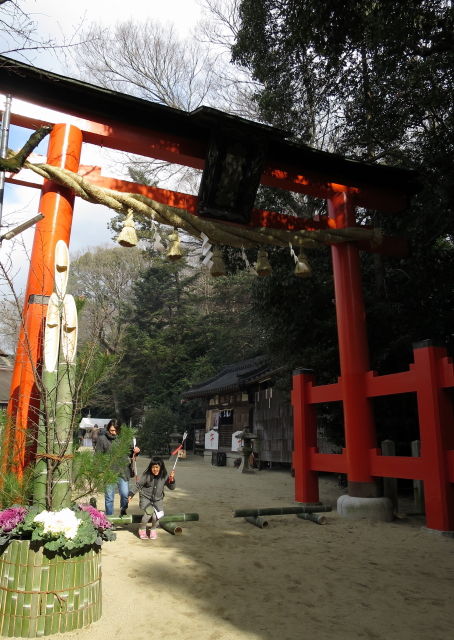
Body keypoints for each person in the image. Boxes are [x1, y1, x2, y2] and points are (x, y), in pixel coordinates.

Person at [96, 419, 140, 516]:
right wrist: (100, 470)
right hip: (108, 471)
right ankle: (109, 520)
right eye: (112, 430)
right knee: (109, 498)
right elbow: (98, 456)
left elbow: (131, 452)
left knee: (125, 494)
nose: (114, 433)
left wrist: (136, 450)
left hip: (123, 471)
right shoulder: (102, 439)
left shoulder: (125, 439)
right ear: (108, 429)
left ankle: (123, 509)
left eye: (116, 431)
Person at [128, 456, 175, 540]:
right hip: (145, 498)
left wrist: (172, 480)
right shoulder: (147, 476)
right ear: (150, 468)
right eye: (153, 467)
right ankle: (142, 528)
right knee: (149, 513)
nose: (155, 469)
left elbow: (172, 487)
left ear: (161, 467)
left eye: (157, 467)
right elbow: (138, 485)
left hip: (158, 500)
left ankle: (153, 529)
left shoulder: (164, 476)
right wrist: (131, 494)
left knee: (156, 516)